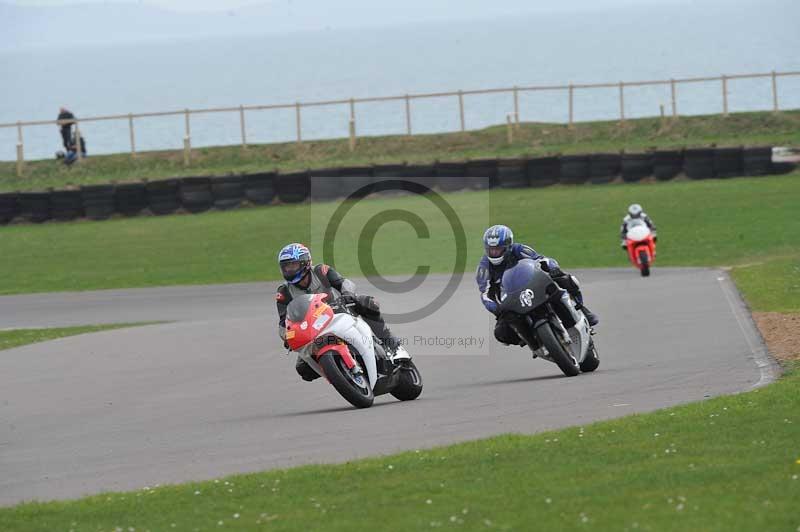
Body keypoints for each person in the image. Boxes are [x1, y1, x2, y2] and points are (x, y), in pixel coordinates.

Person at [275, 243, 407, 382]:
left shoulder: (321, 271)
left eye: (293, 265)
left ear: (305, 262)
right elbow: (283, 321)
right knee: (303, 369)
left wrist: (347, 293)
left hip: (338, 311)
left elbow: (344, 282)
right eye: (286, 266)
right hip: (312, 329)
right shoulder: (283, 292)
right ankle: (338, 371)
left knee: (368, 303)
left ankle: (392, 345)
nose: (289, 270)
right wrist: (287, 336)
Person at [475, 225, 599, 348]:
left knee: (564, 279)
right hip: (510, 297)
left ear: (508, 246)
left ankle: (581, 308)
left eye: (498, 249)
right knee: (501, 333)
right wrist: (496, 308)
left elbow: (540, 259)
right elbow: (485, 294)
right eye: (491, 249)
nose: (494, 253)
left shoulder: (519, 249)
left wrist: (553, 268)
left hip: (531, 283)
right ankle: (531, 341)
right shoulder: (484, 267)